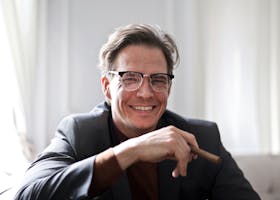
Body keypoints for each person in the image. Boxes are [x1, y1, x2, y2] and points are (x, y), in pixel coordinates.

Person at [14, 24, 260, 200]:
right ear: (107, 88)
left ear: (169, 86)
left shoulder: (203, 137)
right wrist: (131, 151)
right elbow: (26, 195)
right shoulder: (79, 132)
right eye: (130, 78)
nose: (145, 93)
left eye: (158, 80)